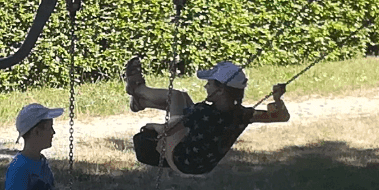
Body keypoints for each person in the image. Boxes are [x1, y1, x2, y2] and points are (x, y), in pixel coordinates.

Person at [124, 58, 291, 175]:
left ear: (220, 91)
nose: (205, 86)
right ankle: (141, 102)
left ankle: (137, 89)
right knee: (183, 98)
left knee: (175, 97)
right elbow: (281, 116)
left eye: (209, 84)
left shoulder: (204, 113)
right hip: (203, 165)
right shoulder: (243, 114)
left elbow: (171, 128)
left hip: (181, 159)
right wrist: (277, 99)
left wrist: (154, 126)